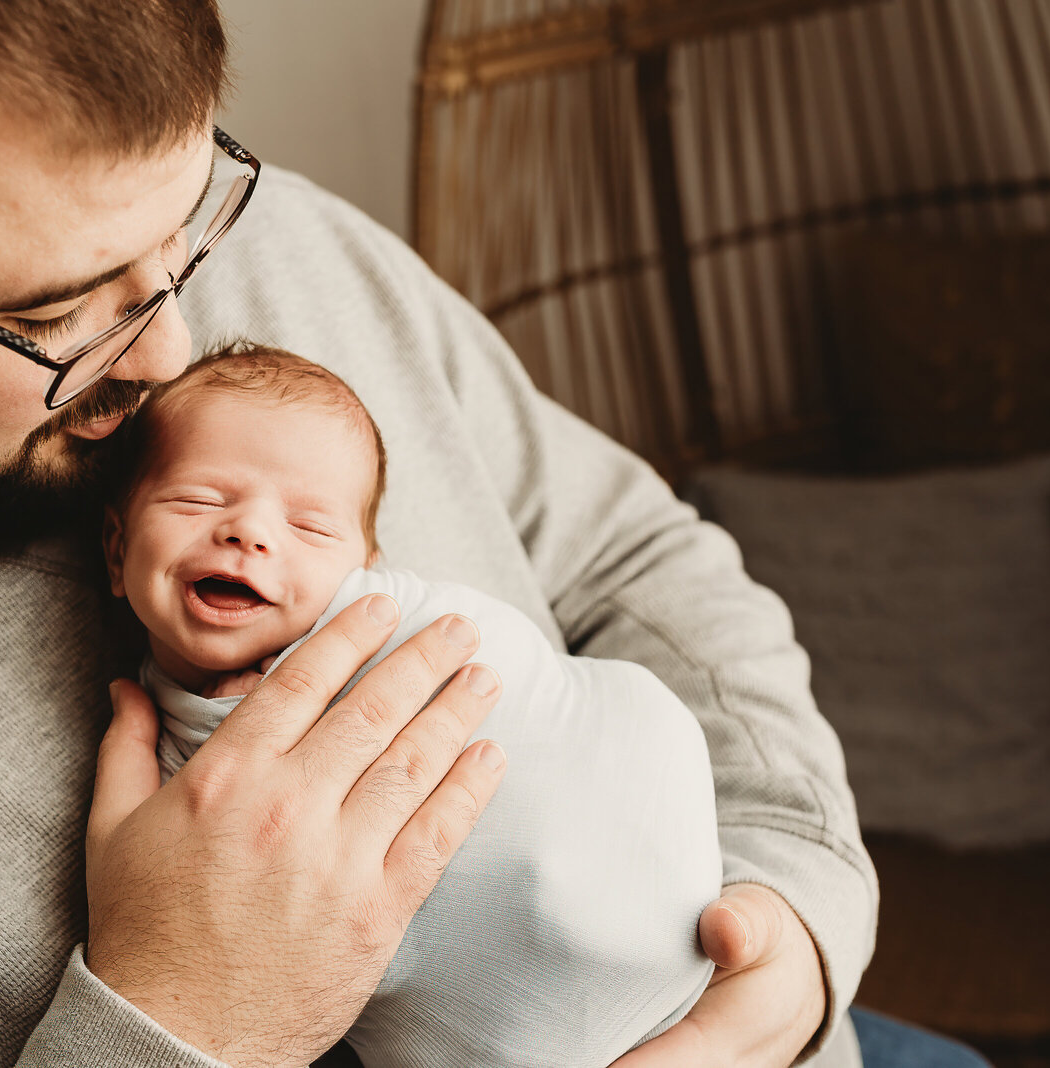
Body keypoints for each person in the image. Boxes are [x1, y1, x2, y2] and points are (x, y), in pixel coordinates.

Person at [0, 1, 990, 1066]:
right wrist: (183, 1028)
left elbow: (632, 560)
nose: (176, 350)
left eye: (185, 235)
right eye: (57, 313)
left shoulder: (259, 244)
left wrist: (788, 940)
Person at [103, 344, 723, 1068]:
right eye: (199, 499)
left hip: (689, 908)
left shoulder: (392, 622)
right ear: (116, 553)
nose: (249, 532)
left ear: (366, 567)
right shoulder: (163, 731)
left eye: (310, 527)